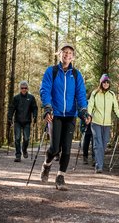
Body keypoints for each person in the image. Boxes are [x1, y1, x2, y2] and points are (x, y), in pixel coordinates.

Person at [40, 43, 91, 190]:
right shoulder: (52, 71)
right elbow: (45, 90)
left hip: (70, 115)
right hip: (55, 114)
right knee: (55, 148)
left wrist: (83, 111)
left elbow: (81, 95)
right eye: (64, 52)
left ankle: (60, 177)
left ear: (73, 57)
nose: (67, 55)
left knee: (67, 149)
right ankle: (46, 165)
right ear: (59, 54)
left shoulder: (76, 75)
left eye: (70, 53)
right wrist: (47, 107)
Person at [88, 74, 119, 173]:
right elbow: (90, 106)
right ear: (101, 83)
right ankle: (99, 166)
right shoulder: (95, 93)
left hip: (107, 123)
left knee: (103, 145)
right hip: (96, 122)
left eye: (107, 82)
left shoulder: (111, 94)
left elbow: (115, 107)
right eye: (104, 82)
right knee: (98, 144)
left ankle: (98, 161)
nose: (106, 84)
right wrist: (89, 115)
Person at [7, 81, 38, 162]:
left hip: (27, 121)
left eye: (25, 88)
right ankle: (18, 155)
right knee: (17, 138)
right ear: (20, 89)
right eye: (22, 88)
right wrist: (9, 117)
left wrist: (35, 116)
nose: (24, 89)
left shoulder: (31, 98)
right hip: (17, 121)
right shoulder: (16, 98)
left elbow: (34, 108)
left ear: (27, 88)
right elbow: (11, 108)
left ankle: (24, 149)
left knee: (27, 138)